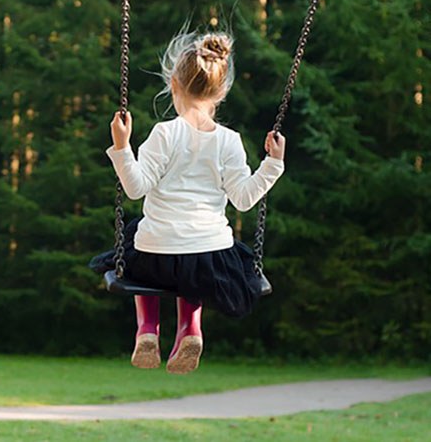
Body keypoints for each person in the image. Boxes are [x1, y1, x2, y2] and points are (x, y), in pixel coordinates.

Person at [89, 27, 286, 374]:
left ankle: (147, 330)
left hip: (156, 256)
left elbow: (135, 188)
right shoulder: (230, 141)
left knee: (139, 239)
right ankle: (190, 329)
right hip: (209, 258)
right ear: (221, 91)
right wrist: (273, 164)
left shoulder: (164, 133)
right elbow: (243, 200)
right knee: (195, 262)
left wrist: (122, 147)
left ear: (174, 86)